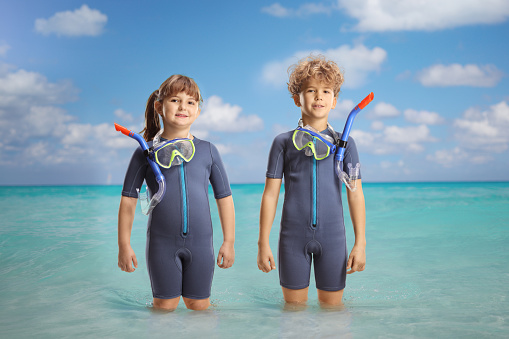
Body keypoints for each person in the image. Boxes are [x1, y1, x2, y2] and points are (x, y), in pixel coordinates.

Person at [117, 74, 235, 311]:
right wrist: (124, 245)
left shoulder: (208, 151)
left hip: (202, 244)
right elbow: (128, 200)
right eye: (175, 100)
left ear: (198, 111)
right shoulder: (146, 153)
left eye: (191, 102)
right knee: (164, 307)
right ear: (159, 107)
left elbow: (224, 198)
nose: (183, 106)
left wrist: (229, 241)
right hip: (162, 244)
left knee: (199, 306)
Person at [257, 55, 366, 307]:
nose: (319, 97)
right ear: (298, 98)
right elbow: (270, 194)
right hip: (292, 238)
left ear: (334, 100)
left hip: (334, 239)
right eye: (311, 90)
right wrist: (263, 242)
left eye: (326, 91)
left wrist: (360, 244)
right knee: (293, 313)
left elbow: (355, 194)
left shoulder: (345, 144)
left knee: (333, 314)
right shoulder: (283, 143)